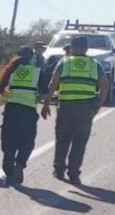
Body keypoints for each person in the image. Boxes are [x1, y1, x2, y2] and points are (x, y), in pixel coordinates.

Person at [41, 36, 110, 185]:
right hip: (86, 109)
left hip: (66, 107)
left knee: (62, 139)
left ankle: (59, 170)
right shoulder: (95, 64)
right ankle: (74, 174)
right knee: (79, 142)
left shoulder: (64, 62)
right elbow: (105, 85)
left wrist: (46, 103)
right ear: (86, 48)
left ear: (71, 47)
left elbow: (53, 83)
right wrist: (99, 103)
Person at [0, 46, 42, 185]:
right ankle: (20, 164)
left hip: (12, 109)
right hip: (28, 111)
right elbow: (44, 92)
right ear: (32, 57)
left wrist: (11, 95)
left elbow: (0, 89)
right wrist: (37, 97)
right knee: (27, 140)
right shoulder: (38, 72)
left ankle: (8, 164)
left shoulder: (11, 70)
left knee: (9, 138)